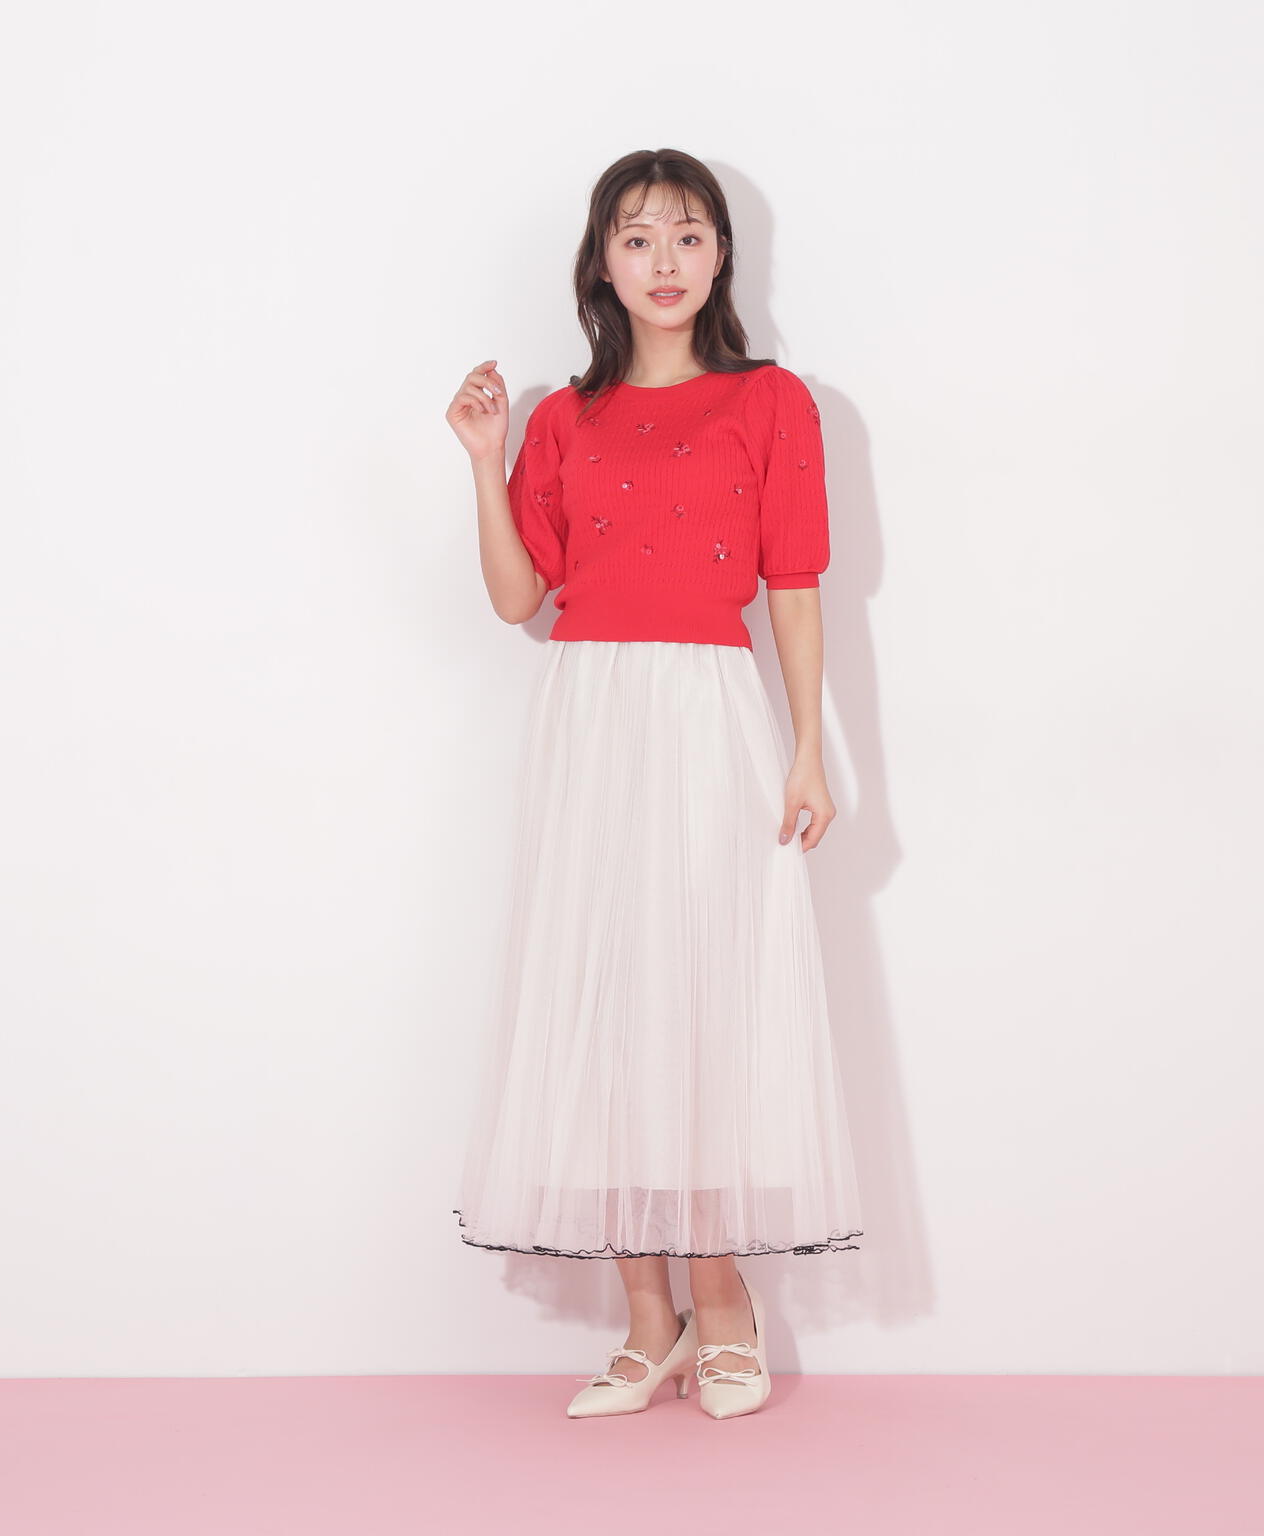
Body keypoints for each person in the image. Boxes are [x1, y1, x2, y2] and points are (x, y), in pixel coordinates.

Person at [444, 148, 863, 1421]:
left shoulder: (771, 402)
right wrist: (483, 458)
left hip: (708, 712)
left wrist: (806, 747)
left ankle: (722, 1306)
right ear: (602, 264)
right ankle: (647, 1320)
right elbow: (518, 598)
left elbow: (794, 585)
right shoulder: (561, 421)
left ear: (721, 255)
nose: (664, 261)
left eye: (687, 235)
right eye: (636, 238)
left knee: (705, 990)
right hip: (589, 717)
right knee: (604, 990)